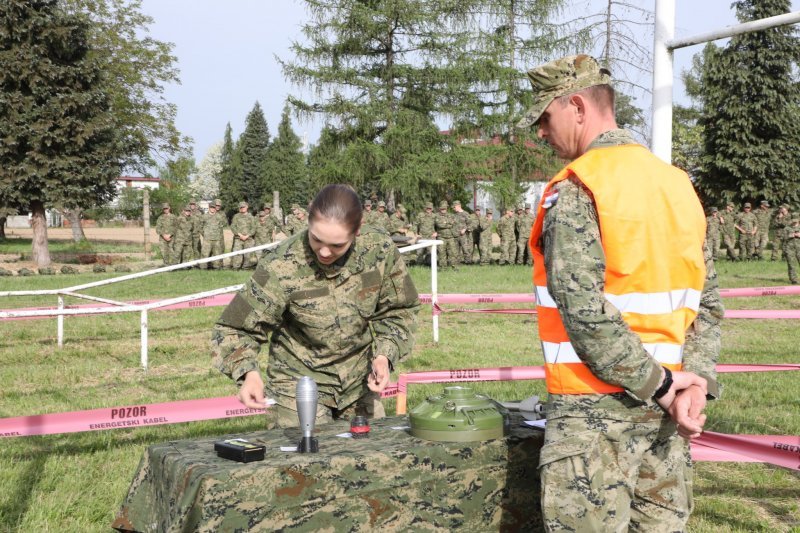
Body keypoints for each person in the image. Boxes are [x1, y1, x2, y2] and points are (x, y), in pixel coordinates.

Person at [518, 54, 723, 532]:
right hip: (667, 419)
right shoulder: (677, 185)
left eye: (545, 119)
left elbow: (584, 311)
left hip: (594, 419)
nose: (541, 134)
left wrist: (668, 388)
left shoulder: (578, 188)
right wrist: (696, 383)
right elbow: (706, 303)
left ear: (576, 106)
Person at [211, 184, 420, 428]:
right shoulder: (281, 264)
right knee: (304, 464)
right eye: (316, 239)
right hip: (298, 384)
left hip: (359, 382)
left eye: (337, 245)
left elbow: (399, 310)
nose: (324, 252)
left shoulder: (379, 250)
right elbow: (234, 329)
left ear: (358, 231)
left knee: (370, 458)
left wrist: (384, 355)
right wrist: (248, 373)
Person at [230, 201, 256, 269]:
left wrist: (247, 236)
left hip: (248, 239)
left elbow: (253, 228)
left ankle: (245, 267)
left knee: (247, 255)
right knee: (237, 254)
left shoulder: (251, 217)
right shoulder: (236, 216)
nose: (242, 208)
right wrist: (239, 235)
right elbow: (233, 226)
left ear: (247, 207)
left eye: (243, 207)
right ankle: (236, 268)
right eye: (241, 207)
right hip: (238, 238)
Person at [783, 216, 800, 284]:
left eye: (796, 221)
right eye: (793, 221)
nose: (794, 222)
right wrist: (789, 236)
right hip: (789, 249)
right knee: (791, 264)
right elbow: (782, 238)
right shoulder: (787, 228)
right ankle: (794, 280)